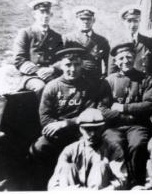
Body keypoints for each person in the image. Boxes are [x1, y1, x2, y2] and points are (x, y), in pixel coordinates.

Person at [29, 48, 115, 190]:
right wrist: (59, 128)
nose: (73, 69)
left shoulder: (89, 87)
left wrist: (66, 123)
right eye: (68, 65)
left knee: (91, 151)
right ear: (61, 66)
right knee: (38, 147)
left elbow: (90, 115)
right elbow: (45, 118)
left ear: (82, 65)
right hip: (57, 135)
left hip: (82, 133)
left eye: (77, 64)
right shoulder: (52, 87)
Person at [102, 42, 152, 187]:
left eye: (128, 57)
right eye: (121, 58)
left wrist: (123, 108)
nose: (125, 61)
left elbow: (150, 104)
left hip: (137, 126)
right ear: (115, 61)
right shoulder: (109, 81)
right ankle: (120, 183)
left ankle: (137, 183)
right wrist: (126, 115)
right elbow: (103, 109)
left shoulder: (146, 79)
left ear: (134, 57)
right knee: (116, 144)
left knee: (138, 144)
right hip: (114, 126)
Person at [48, 108, 127, 190]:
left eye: (96, 129)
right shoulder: (70, 150)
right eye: (88, 129)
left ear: (102, 128)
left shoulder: (113, 149)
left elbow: (121, 181)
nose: (92, 134)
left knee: (101, 165)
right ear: (81, 129)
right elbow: (53, 185)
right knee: (67, 167)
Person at [13, 0, 63, 98]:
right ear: (34, 14)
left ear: (51, 15)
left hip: (49, 74)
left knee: (61, 87)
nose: (45, 16)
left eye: (47, 12)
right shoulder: (26, 33)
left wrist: (52, 69)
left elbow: (62, 59)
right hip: (31, 76)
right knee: (41, 87)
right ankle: (43, 114)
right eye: (41, 12)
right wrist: (37, 70)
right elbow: (19, 59)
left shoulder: (56, 36)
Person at [109, 5, 152, 76]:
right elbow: (112, 71)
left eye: (135, 21)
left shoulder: (150, 42)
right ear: (123, 22)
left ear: (140, 21)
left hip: (146, 84)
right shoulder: (116, 44)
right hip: (126, 84)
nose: (133, 25)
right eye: (129, 21)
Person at [63, 6, 110, 80]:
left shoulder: (102, 40)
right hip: (74, 79)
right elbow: (62, 60)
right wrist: (80, 62)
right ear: (76, 20)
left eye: (88, 19)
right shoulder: (68, 39)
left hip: (95, 80)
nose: (85, 22)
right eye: (82, 19)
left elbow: (108, 62)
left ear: (93, 20)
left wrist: (106, 76)